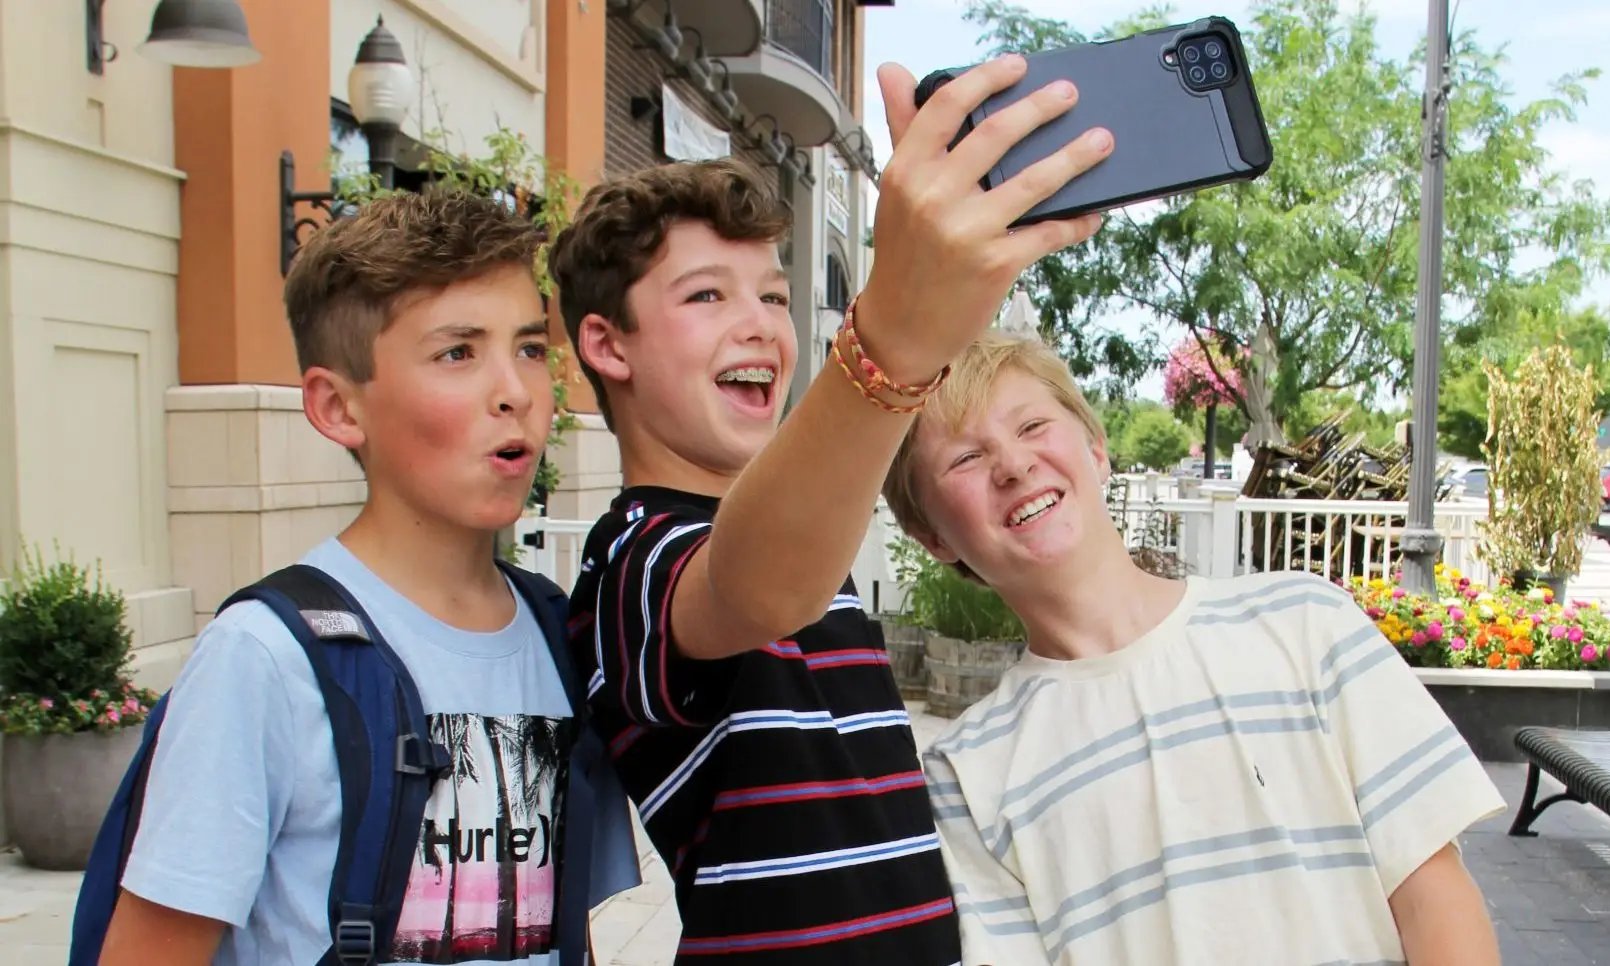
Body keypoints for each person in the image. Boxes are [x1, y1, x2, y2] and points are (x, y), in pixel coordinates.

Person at [547, 57, 1112, 964]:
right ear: (606, 345)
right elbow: (755, 585)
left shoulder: (799, 545)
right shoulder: (634, 560)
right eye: (706, 296)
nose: (760, 323)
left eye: (772, 295)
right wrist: (894, 328)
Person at [97, 189, 638, 966]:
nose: (515, 391)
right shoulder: (264, 658)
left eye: (526, 348)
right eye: (458, 352)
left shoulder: (558, 633)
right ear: (338, 408)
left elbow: (556, 934)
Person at [881, 333, 1506, 966]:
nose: (1013, 465)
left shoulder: (1304, 624)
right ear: (933, 536)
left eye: (1033, 424)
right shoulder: (968, 772)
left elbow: (1436, 899)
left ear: (1096, 450)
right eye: (965, 458)